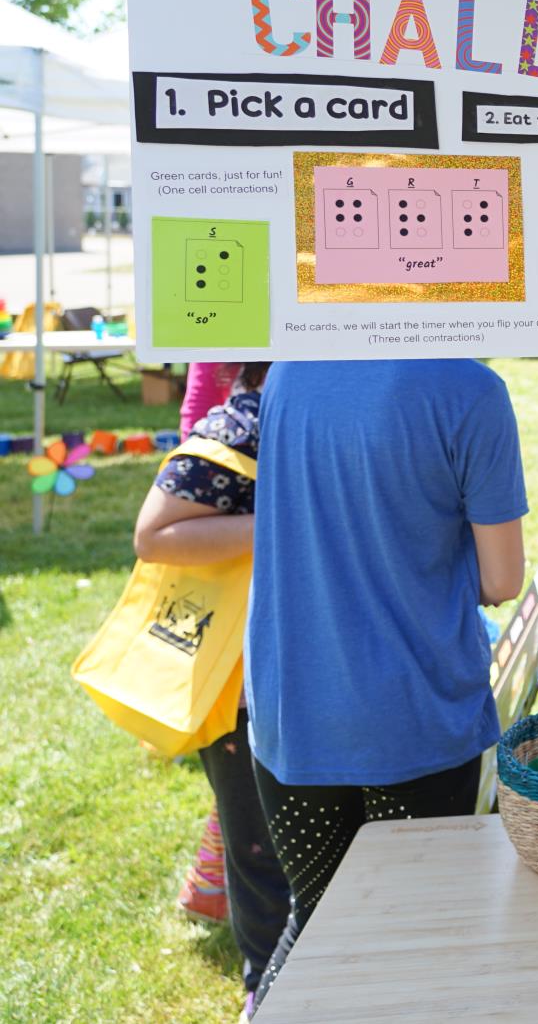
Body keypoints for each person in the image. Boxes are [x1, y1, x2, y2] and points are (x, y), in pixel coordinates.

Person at [245, 359, 527, 1006]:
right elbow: (503, 579)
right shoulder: (471, 389)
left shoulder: (293, 365)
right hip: (412, 712)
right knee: (414, 944)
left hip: (294, 703)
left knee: (315, 917)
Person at [135, 363, 289, 1020]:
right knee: (257, 851)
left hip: (298, 675)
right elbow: (154, 533)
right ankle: (267, 991)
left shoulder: (305, 417)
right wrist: (280, 528)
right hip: (242, 686)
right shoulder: (240, 425)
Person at [170, 360, 243, 929]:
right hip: (235, 576)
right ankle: (216, 884)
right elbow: (198, 425)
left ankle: (212, 883)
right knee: (238, 741)